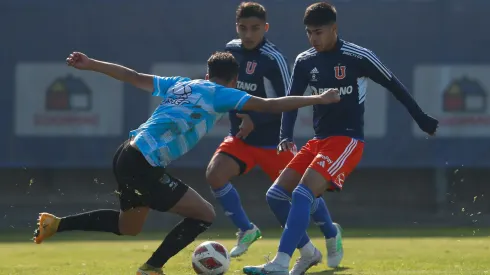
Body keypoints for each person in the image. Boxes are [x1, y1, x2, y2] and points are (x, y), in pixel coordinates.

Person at [32, 51, 340, 275]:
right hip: (144, 162)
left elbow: (132, 76)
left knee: (129, 226)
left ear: (207, 74)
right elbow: (270, 105)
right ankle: (152, 268)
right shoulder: (223, 93)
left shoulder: (181, 84)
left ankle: (56, 224)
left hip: (128, 153)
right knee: (203, 214)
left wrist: (92, 64)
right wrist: (318, 99)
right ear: (234, 81)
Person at [243, 2, 439, 275]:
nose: (313, 38)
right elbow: (291, 99)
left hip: (347, 141)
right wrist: (284, 134)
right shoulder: (304, 60)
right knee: (275, 195)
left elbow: (394, 84)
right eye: (309, 33)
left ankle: (280, 262)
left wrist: (421, 118)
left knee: (302, 193)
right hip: (318, 140)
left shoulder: (358, 56)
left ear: (334, 29)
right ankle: (311, 252)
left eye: (319, 32)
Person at [207, 2, 337, 259]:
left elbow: (287, 104)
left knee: (305, 193)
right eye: (243, 28)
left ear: (265, 28)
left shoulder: (273, 58)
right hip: (241, 139)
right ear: (236, 27)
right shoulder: (231, 51)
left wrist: (253, 117)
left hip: (272, 142)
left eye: (255, 28)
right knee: (215, 174)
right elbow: (225, 91)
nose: (248, 34)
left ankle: (332, 233)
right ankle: (247, 229)